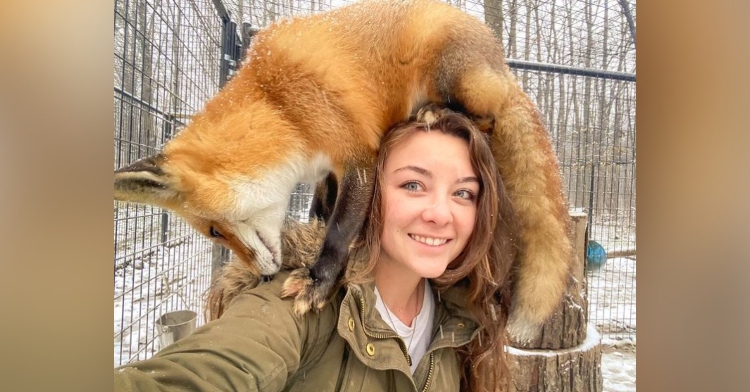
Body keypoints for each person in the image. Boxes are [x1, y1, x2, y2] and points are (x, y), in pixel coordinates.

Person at [114, 109, 519, 392]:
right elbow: (210, 370)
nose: (440, 214)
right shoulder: (296, 306)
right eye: (413, 185)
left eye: (464, 193)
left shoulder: (466, 313)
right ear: (364, 192)